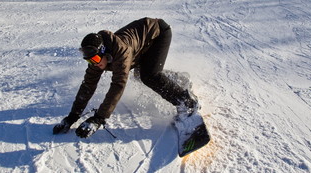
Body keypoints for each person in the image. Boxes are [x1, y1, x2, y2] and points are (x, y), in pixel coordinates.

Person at [52, 18, 200, 138]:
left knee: (149, 76)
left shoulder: (120, 52)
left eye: (96, 59)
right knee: (139, 75)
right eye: (89, 61)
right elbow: (88, 85)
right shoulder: (96, 58)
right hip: (140, 46)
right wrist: (72, 116)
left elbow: (118, 85)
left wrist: (99, 118)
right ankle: (178, 79)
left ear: (103, 51)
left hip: (158, 33)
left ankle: (186, 102)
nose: (94, 64)